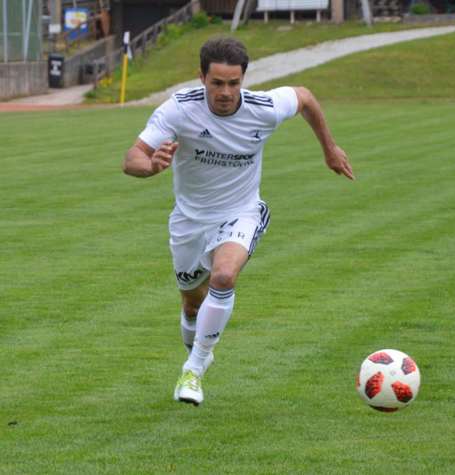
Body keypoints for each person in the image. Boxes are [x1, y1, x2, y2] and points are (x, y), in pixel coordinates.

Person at [123, 36, 354, 406]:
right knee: (192, 307)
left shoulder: (264, 108)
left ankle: (193, 369)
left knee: (224, 276)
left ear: (243, 79)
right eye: (217, 83)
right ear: (201, 77)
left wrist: (329, 149)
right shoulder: (179, 109)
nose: (226, 92)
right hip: (189, 221)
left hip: (241, 211)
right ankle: (199, 351)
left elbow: (305, 97)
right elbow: (132, 157)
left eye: (234, 83)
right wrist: (150, 166)